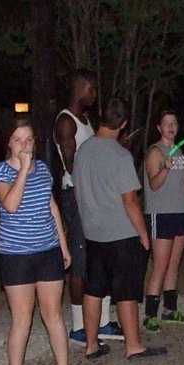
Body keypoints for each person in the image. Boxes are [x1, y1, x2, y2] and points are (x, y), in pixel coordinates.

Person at [0, 117, 73, 365]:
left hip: (47, 250)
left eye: (29, 140)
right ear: (9, 143)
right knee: (22, 318)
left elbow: (52, 207)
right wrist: (23, 171)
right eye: (18, 140)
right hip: (16, 255)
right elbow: (10, 205)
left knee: (53, 315)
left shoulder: (45, 170)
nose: (24, 145)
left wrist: (63, 246)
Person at [73, 99, 164, 360]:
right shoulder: (120, 155)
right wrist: (143, 234)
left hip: (93, 232)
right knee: (126, 289)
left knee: (95, 288)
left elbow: (78, 193)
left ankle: (91, 344)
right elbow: (130, 201)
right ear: (124, 124)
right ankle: (133, 345)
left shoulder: (83, 151)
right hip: (121, 233)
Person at [53, 69, 123, 345]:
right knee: (80, 259)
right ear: (79, 87)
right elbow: (74, 166)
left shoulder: (85, 121)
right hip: (77, 194)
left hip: (92, 193)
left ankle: (102, 321)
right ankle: (79, 326)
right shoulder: (66, 122)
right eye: (91, 89)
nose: (94, 94)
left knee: (100, 254)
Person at [141, 109, 184, 332]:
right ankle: (150, 314)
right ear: (159, 128)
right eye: (166, 123)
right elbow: (154, 185)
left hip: (179, 212)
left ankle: (170, 310)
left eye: (174, 123)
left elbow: (182, 186)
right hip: (161, 213)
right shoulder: (155, 152)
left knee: (174, 263)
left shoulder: (179, 151)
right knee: (160, 265)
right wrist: (165, 167)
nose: (171, 127)